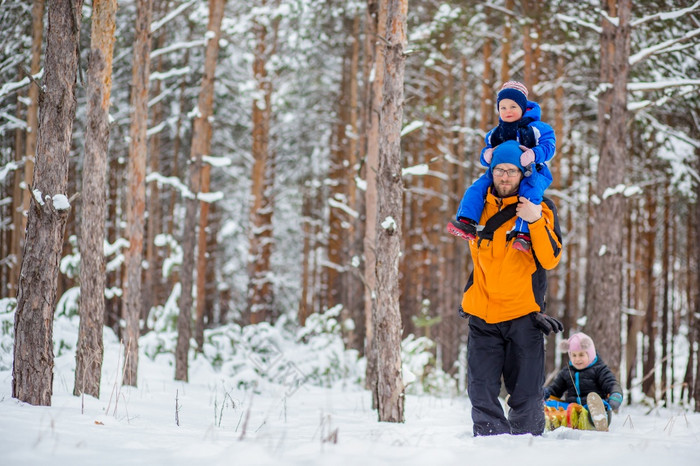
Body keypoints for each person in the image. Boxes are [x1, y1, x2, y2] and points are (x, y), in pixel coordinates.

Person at [458, 140, 564, 436]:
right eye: (499, 170)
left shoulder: (541, 207)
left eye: (512, 171)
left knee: (528, 397)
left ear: (523, 173)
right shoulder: (476, 205)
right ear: (491, 171)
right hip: (483, 316)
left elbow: (550, 258)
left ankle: (527, 449)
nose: (505, 176)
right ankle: (491, 449)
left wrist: (534, 222)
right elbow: (482, 262)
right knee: (480, 393)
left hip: (523, 317)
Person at [448, 81, 555, 252]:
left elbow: (550, 146)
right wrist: (487, 155)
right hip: (499, 171)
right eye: (503, 107)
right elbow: (487, 152)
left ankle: (523, 234)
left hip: (531, 171)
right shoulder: (496, 132)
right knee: (477, 187)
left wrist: (534, 154)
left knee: (530, 195)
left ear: (523, 107)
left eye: (513, 106)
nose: (508, 111)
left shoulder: (536, 128)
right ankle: (467, 221)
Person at [543, 332, 623, 431]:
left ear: (590, 353)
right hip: (571, 408)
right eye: (574, 355)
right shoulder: (566, 372)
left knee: (597, 405)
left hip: (589, 407)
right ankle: (550, 420)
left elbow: (611, 384)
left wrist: (615, 395)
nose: (577, 359)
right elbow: (555, 389)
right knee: (552, 405)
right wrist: (544, 393)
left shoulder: (600, 369)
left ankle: (599, 418)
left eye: (581, 355)